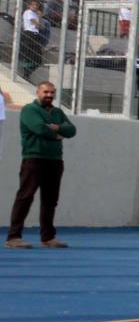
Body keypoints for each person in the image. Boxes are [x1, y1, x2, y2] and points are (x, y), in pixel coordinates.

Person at [7, 81, 76, 248]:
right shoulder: (29, 110)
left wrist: (56, 127)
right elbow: (39, 128)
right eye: (46, 92)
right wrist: (58, 133)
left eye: (52, 92)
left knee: (50, 200)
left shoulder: (58, 112)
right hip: (34, 159)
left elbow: (72, 130)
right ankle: (13, 237)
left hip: (55, 161)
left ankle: (48, 237)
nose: (49, 95)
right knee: (25, 197)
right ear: (38, 93)